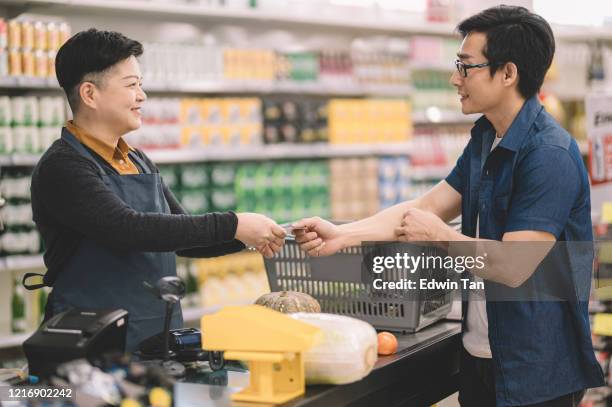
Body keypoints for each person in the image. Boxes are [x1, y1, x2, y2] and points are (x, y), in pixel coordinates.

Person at [294, 6, 604, 406]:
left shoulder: (549, 154)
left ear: (508, 73)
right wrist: (343, 234)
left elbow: (513, 264)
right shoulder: (486, 138)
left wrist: (441, 237)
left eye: (465, 66)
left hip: (535, 369)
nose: (454, 78)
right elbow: (427, 205)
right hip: (480, 355)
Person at [28, 29, 286, 352]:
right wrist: (235, 223)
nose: (142, 96)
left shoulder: (137, 160)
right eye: (131, 85)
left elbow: (183, 238)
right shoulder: (63, 167)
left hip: (155, 340)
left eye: (141, 84)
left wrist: (261, 233)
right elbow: (127, 228)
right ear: (90, 94)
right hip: (89, 347)